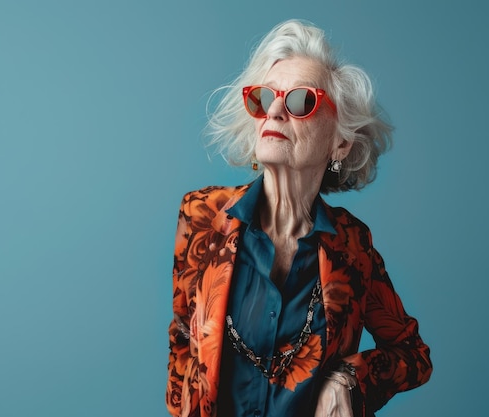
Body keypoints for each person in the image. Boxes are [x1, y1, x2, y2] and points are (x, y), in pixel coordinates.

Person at [166, 19, 432, 417]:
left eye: (300, 101)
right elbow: (183, 338)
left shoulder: (352, 246)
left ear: (340, 142)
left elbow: (413, 356)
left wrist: (348, 378)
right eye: (263, 97)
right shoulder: (202, 216)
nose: (274, 110)